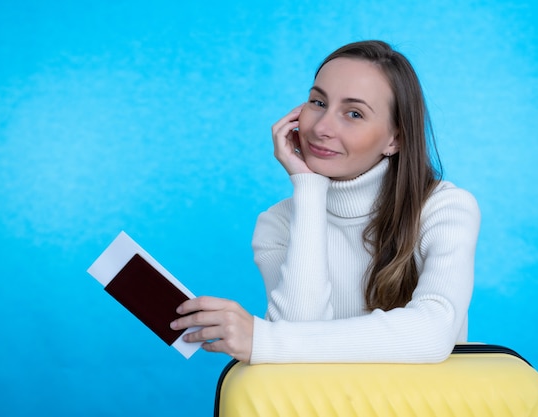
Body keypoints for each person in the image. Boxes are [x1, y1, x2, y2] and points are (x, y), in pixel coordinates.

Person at [170, 40, 480, 364]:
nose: (321, 128)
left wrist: (261, 339)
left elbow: (432, 334)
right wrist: (308, 187)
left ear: (395, 139)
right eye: (318, 102)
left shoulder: (445, 209)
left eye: (354, 113)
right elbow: (297, 349)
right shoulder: (277, 224)